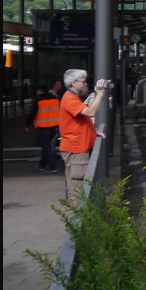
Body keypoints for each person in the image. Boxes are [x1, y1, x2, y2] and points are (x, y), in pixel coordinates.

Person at [59, 69, 108, 200]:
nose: (86, 84)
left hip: (78, 148)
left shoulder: (72, 97)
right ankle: (78, 213)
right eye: (83, 81)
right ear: (73, 83)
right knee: (78, 189)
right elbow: (90, 112)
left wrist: (93, 131)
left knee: (80, 187)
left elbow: (80, 120)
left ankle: (79, 211)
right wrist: (99, 94)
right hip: (76, 149)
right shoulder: (70, 98)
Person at [25, 84, 60, 173]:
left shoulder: (38, 99)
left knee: (47, 148)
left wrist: (27, 125)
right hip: (54, 126)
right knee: (46, 146)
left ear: (40, 90)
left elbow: (33, 113)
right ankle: (42, 165)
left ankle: (53, 167)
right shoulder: (55, 99)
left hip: (43, 127)